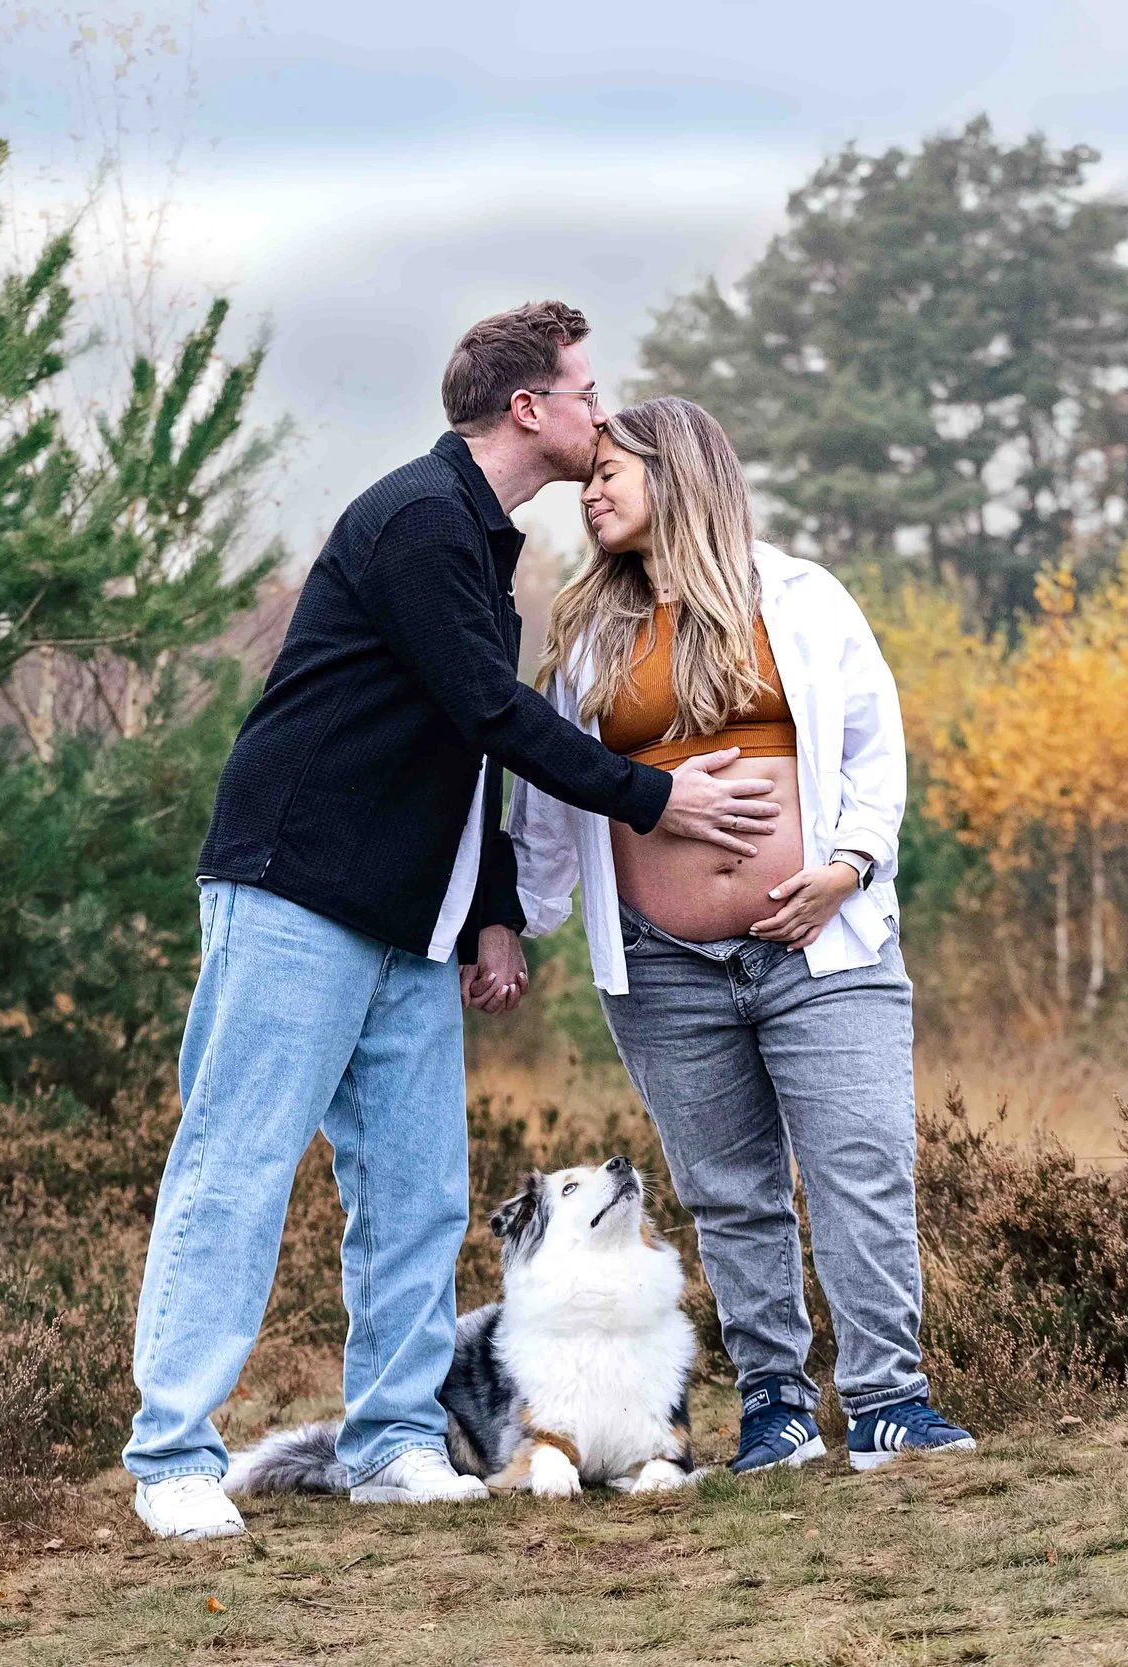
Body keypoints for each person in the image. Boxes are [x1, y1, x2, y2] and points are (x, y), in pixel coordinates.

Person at [126, 306, 786, 1541]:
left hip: (408, 920)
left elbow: (458, 754)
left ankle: (388, 1440)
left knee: (419, 1193)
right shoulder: (419, 520)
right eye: (587, 389)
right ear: (529, 409)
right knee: (237, 1167)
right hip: (294, 890)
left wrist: (489, 916)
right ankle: (171, 1452)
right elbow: (493, 711)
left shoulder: (483, 545)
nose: (604, 411)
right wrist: (660, 793)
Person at [509, 395, 976, 1475]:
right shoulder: (587, 631)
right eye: (586, 475)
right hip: (663, 962)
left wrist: (847, 869)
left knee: (859, 1166)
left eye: (609, 468)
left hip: (820, 945)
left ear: (677, 472)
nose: (591, 488)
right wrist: (516, 929)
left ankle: (890, 1397)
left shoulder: (802, 598)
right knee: (729, 1189)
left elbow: (871, 750)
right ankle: (775, 1405)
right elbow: (545, 803)